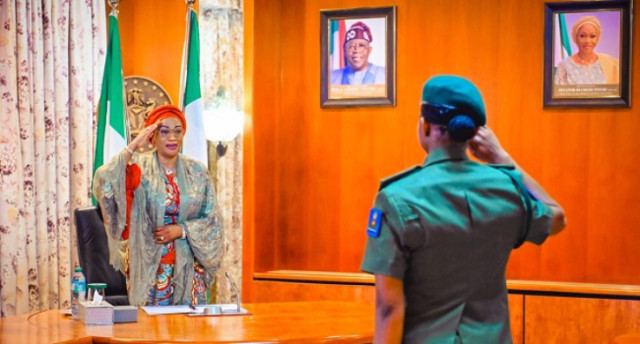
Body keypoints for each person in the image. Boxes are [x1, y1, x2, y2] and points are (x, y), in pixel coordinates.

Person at [360, 75, 566, 343]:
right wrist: (502, 157)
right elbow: (557, 216)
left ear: (426, 125)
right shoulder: (507, 189)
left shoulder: (396, 197)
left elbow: (389, 309)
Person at [92, 104, 223, 307]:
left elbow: (212, 220)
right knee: (153, 331)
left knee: (189, 332)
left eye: (177, 131)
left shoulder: (198, 172)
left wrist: (182, 230)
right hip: (150, 268)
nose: (172, 137)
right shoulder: (138, 168)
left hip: (190, 268)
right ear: (152, 136)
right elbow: (105, 180)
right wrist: (134, 144)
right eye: (164, 131)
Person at [555, 15, 619, 85]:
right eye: (582, 36)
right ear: (575, 37)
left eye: (592, 36)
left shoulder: (611, 63)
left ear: (598, 38)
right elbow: (558, 93)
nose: (587, 41)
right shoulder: (564, 66)